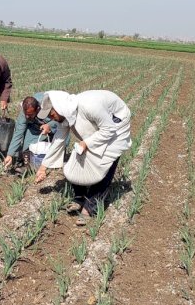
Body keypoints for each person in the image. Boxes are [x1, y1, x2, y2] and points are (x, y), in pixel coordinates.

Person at [34, 90, 131, 226]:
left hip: (116, 123)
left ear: (59, 108)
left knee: (106, 162)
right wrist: (43, 167)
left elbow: (109, 129)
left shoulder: (89, 106)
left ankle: (91, 207)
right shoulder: (65, 114)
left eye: (51, 114)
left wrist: (87, 142)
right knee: (78, 157)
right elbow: (58, 140)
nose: (51, 118)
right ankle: (80, 197)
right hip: (101, 127)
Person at [3, 94, 57, 170]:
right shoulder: (25, 112)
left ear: (37, 109)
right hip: (36, 128)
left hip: (56, 129)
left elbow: (61, 122)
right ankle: (27, 165)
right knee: (27, 147)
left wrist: (49, 125)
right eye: (26, 114)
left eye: (30, 114)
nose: (27, 117)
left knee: (55, 147)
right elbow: (18, 134)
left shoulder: (48, 106)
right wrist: (10, 154)